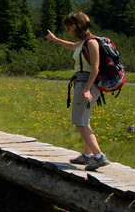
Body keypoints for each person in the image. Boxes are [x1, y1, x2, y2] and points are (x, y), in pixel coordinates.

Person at [45, 11, 110, 171]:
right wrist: (54, 39)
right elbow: (71, 46)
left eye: (68, 28)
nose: (68, 31)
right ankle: (87, 156)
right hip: (82, 84)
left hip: (85, 85)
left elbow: (94, 68)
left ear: (75, 26)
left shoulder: (91, 42)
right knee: (84, 120)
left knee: (79, 122)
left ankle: (99, 156)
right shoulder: (82, 42)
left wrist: (87, 89)